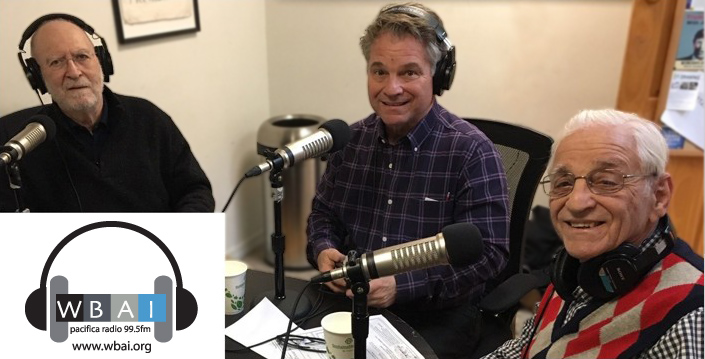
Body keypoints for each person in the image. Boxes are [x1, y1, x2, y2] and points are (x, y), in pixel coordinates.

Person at [306, 3, 510, 358]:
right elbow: (323, 214)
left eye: (409, 72)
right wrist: (323, 249)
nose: (392, 87)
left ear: (438, 75)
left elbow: (490, 255)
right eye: (379, 71)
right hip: (351, 300)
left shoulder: (472, 151)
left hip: (435, 313)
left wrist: (403, 286)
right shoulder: (349, 142)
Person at [483, 109, 703, 359]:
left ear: (659, 195)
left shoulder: (691, 314)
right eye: (563, 183)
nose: (576, 203)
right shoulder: (578, 270)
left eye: (607, 182)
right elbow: (522, 350)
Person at [0, 14, 214, 212]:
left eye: (82, 56)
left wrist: (175, 238)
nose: (74, 72)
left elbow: (195, 190)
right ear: (37, 78)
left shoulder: (149, 118)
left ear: (102, 61)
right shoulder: (17, 141)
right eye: (56, 62)